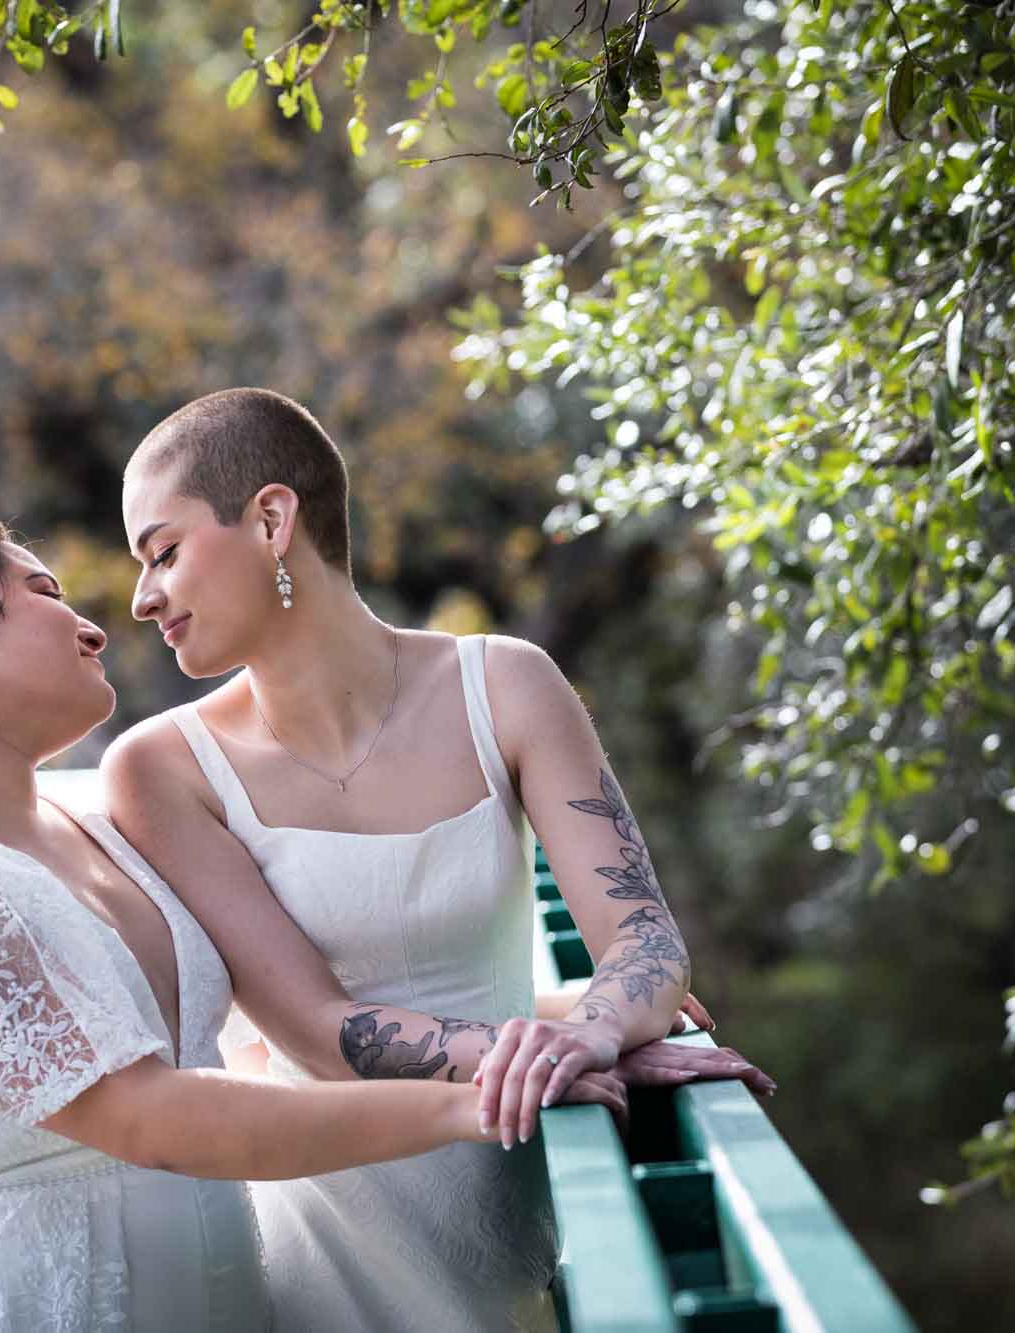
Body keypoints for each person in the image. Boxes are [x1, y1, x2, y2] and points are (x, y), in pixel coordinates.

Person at [0, 512, 635, 1331]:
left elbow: (295, 1011)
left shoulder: (99, 829)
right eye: (44, 592)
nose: (95, 628)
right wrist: (480, 1101)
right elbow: (147, 1116)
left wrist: (572, 1030)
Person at [104, 388, 773, 1332]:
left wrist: (592, 1030)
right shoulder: (162, 770)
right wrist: (532, 1046)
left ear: (269, 519)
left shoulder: (507, 685)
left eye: (163, 552)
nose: (143, 597)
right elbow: (317, 1032)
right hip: (327, 1243)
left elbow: (647, 946)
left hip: (523, 1198)